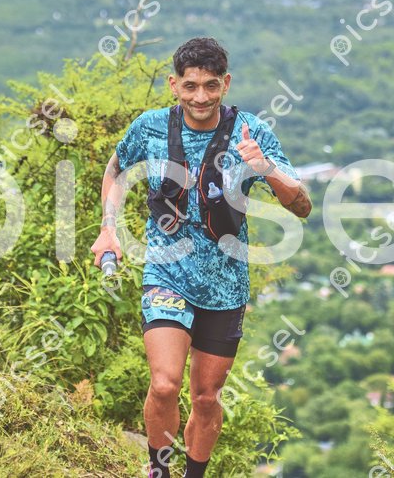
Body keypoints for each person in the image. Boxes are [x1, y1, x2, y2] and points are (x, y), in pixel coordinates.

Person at [90, 37, 312, 477]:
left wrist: (265, 168)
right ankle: (159, 471)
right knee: (164, 383)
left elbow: (301, 205)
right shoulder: (151, 127)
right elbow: (116, 168)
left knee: (206, 397)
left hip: (225, 284)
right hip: (166, 272)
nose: (201, 97)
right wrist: (108, 227)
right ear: (174, 84)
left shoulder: (251, 133)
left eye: (211, 86)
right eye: (190, 86)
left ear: (226, 84)